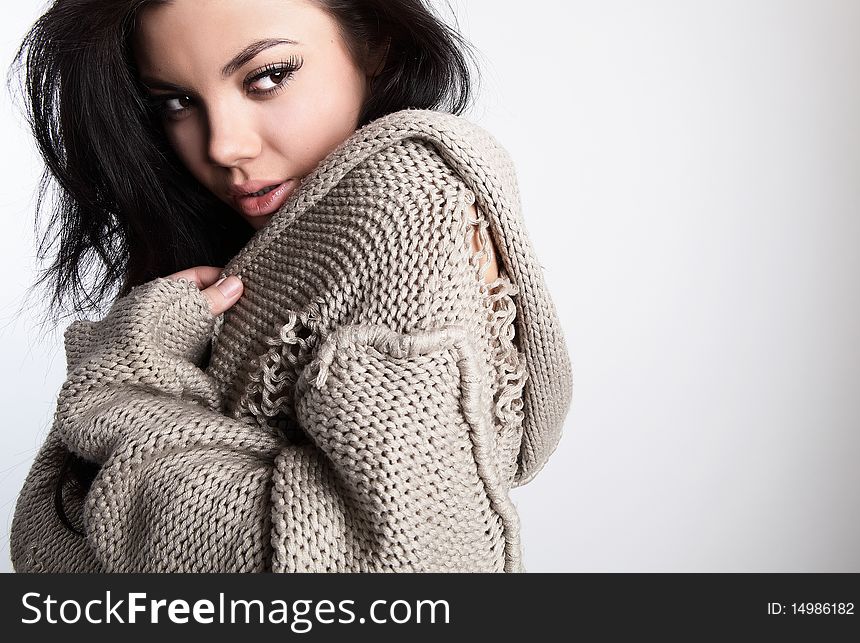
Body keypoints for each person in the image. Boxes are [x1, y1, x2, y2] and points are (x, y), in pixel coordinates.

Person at [9, 0, 573, 572]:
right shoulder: (262, 246)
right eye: (177, 102)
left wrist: (125, 391)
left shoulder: (402, 209)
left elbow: (402, 569)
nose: (223, 147)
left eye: (268, 78)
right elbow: (49, 548)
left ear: (373, 44)